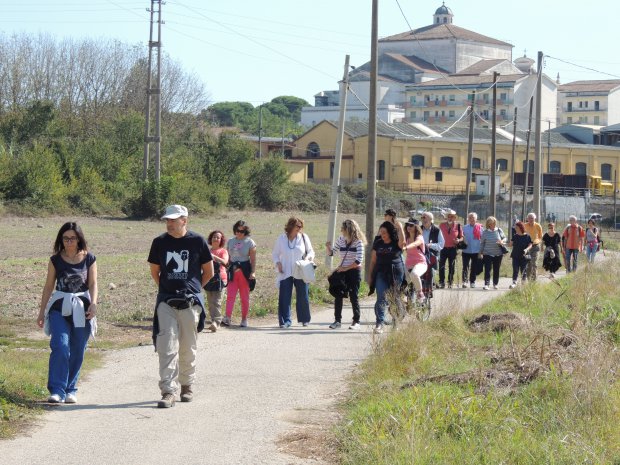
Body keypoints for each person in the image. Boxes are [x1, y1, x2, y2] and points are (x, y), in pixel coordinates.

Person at [147, 205, 214, 408]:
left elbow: (208, 272)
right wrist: (167, 290)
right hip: (166, 302)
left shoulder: (197, 241)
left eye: (173, 220)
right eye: (167, 220)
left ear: (184, 220)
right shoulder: (159, 242)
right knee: (166, 347)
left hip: (190, 303)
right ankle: (168, 391)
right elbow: (155, 271)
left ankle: (187, 386)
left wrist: (193, 291)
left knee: (187, 347)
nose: (169, 223)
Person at [37, 222, 98, 404]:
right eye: (65, 238)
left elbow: (94, 284)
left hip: (82, 308)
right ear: (61, 239)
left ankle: (70, 388)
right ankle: (57, 390)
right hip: (59, 308)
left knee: (78, 348)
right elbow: (49, 286)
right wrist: (41, 313)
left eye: (72, 238)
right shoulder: (55, 260)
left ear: (79, 239)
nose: (69, 242)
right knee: (61, 346)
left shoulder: (89, 258)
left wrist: (93, 303)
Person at [272, 217, 315, 328]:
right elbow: (275, 254)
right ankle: (286, 321)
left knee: (303, 296)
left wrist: (308, 259)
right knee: (284, 297)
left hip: (300, 271)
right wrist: (278, 263)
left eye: (301, 226)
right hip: (285, 271)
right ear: (291, 226)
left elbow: (311, 251)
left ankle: (304, 319)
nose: (300, 229)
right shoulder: (281, 238)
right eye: (298, 226)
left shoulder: (304, 238)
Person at [326, 219, 367, 330]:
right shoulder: (341, 239)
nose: (341, 230)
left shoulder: (359, 242)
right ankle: (337, 321)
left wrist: (345, 268)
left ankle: (356, 321)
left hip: (354, 271)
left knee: (354, 296)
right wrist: (328, 247)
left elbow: (358, 260)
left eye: (343, 228)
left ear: (348, 229)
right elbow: (332, 253)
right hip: (343, 271)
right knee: (338, 295)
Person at [367, 221, 405, 334]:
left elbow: (403, 242)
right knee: (381, 298)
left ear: (390, 233)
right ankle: (379, 324)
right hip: (381, 273)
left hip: (395, 273)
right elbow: (373, 260)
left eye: (384, 232)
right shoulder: (378, 243)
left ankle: (396, 322)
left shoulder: (396, 242)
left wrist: (401, 228)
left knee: (394, 298)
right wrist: (370, 276)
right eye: (381, 232)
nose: (382, 235)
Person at [223, 220, 256, 327]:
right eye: (237, 230)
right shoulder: (231, 241)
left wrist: (253, 272)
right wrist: (227, 268)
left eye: (242, 231)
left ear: (246, 232)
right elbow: (227, 257)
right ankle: (227, 317)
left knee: (244, 297)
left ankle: (244, 319)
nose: (239, 233)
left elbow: (253, 260)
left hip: (244, 272)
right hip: (233, 271)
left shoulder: (250, 242)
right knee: (230, 296)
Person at [204, 230, 229, 332]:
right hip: (208, 278)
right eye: (214, 237)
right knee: (210, 302)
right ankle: (214, 320)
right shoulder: (207, 251)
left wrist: (214, 257)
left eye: (218, 237)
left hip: (220, 279)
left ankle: (216, 322)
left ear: (221, 240)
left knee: (217, 301)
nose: (216, 239)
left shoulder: (223, 251)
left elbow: (225, 262)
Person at [479, 216, 507, 290]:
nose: (493, 225)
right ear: (488, 224)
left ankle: (495, 284)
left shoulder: (499, 230)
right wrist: (480, 252)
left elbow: (505, 238)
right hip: (487, 253)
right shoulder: (485, 232)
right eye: (491, 223)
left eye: (494, 223)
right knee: (487, 269)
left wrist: (502, 241)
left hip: (498, 254)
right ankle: (486, 284)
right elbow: (482, 243)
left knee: (496, 269)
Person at [438, 209, 464, 288]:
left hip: (453, 249)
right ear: (446, 217)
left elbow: (462, 237)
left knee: (451, 266)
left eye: (452, 217)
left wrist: (458, 240)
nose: (450, 218)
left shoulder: (458, 226)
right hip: (443, 248)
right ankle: (441, 282)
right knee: (441, 266)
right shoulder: (441, 225)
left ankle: (450, 281)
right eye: (448, 216)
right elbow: (437, 236)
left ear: (454, 218)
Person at [403, 218, 427, 302]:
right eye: (407, 225)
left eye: (411, 225)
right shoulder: (406, 238)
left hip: (421, 263)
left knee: (414, 274)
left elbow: (415, 243)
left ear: (416, 227)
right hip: (408, 264)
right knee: (401, 281)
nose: (408, 227)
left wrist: (406, 246)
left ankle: (420, 294)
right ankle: (404, 298)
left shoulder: (419, 237)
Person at [420, 211, 445, 286]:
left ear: (431, 219)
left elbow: (441, 244)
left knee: (431, 273)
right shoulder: (418, 229)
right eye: (422, 217)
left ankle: (430, 287)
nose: (423, 219)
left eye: (425, 217)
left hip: (432, 254)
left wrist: (431, 245)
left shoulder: (437, 230)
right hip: (420, 254)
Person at [461, 212, 482, 288]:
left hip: (476, 251)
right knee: (465, 266)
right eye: (470, 217)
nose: (471, 219)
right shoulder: (464, 227)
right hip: (466, 251)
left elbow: (483, 240)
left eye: (473, 217)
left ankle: (472, 281)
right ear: (468, 219)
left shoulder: (480, 228)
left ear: (476, 219)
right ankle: (465, 281)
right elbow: (461, 237)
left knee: (474, 267)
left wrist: (481, 252)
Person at [509, 221, 533, 289]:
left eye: (516, 227)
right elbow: (510, 245)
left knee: (524, 270)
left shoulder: (527, 236)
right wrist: (504, 243)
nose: (515, 228)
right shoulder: (515, 236)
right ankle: (514, 282)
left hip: (524, 256)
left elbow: (530, 244)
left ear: (520, 228)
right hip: (515, 255)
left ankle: (523, 284)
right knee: (515, 269)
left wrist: (527, 249)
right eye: (515, 227)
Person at [523, 212, 543, 281]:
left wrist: (537, 242)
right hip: (527, 247)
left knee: (534, 263)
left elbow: (540, 237)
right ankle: (529, 280)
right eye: (529, 218)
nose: (531, 219)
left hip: (535, 246)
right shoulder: (524, 225)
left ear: (535, 218)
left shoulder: (538, 226)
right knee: (528, 264)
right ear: (527, 219)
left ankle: (534, 280)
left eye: (532, 218)